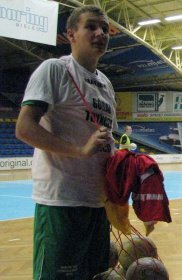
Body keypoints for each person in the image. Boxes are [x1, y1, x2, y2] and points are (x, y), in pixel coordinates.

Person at [15, 5, 117, 279]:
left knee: (96, 275)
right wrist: (79, 151)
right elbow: (24, 128)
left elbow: (107, 141)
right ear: (71, 35)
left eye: (105, 30)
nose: (101, 34)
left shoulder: (105, 84)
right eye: (92, 27)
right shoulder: (54, 70)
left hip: (97, 204)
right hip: (62, 202)